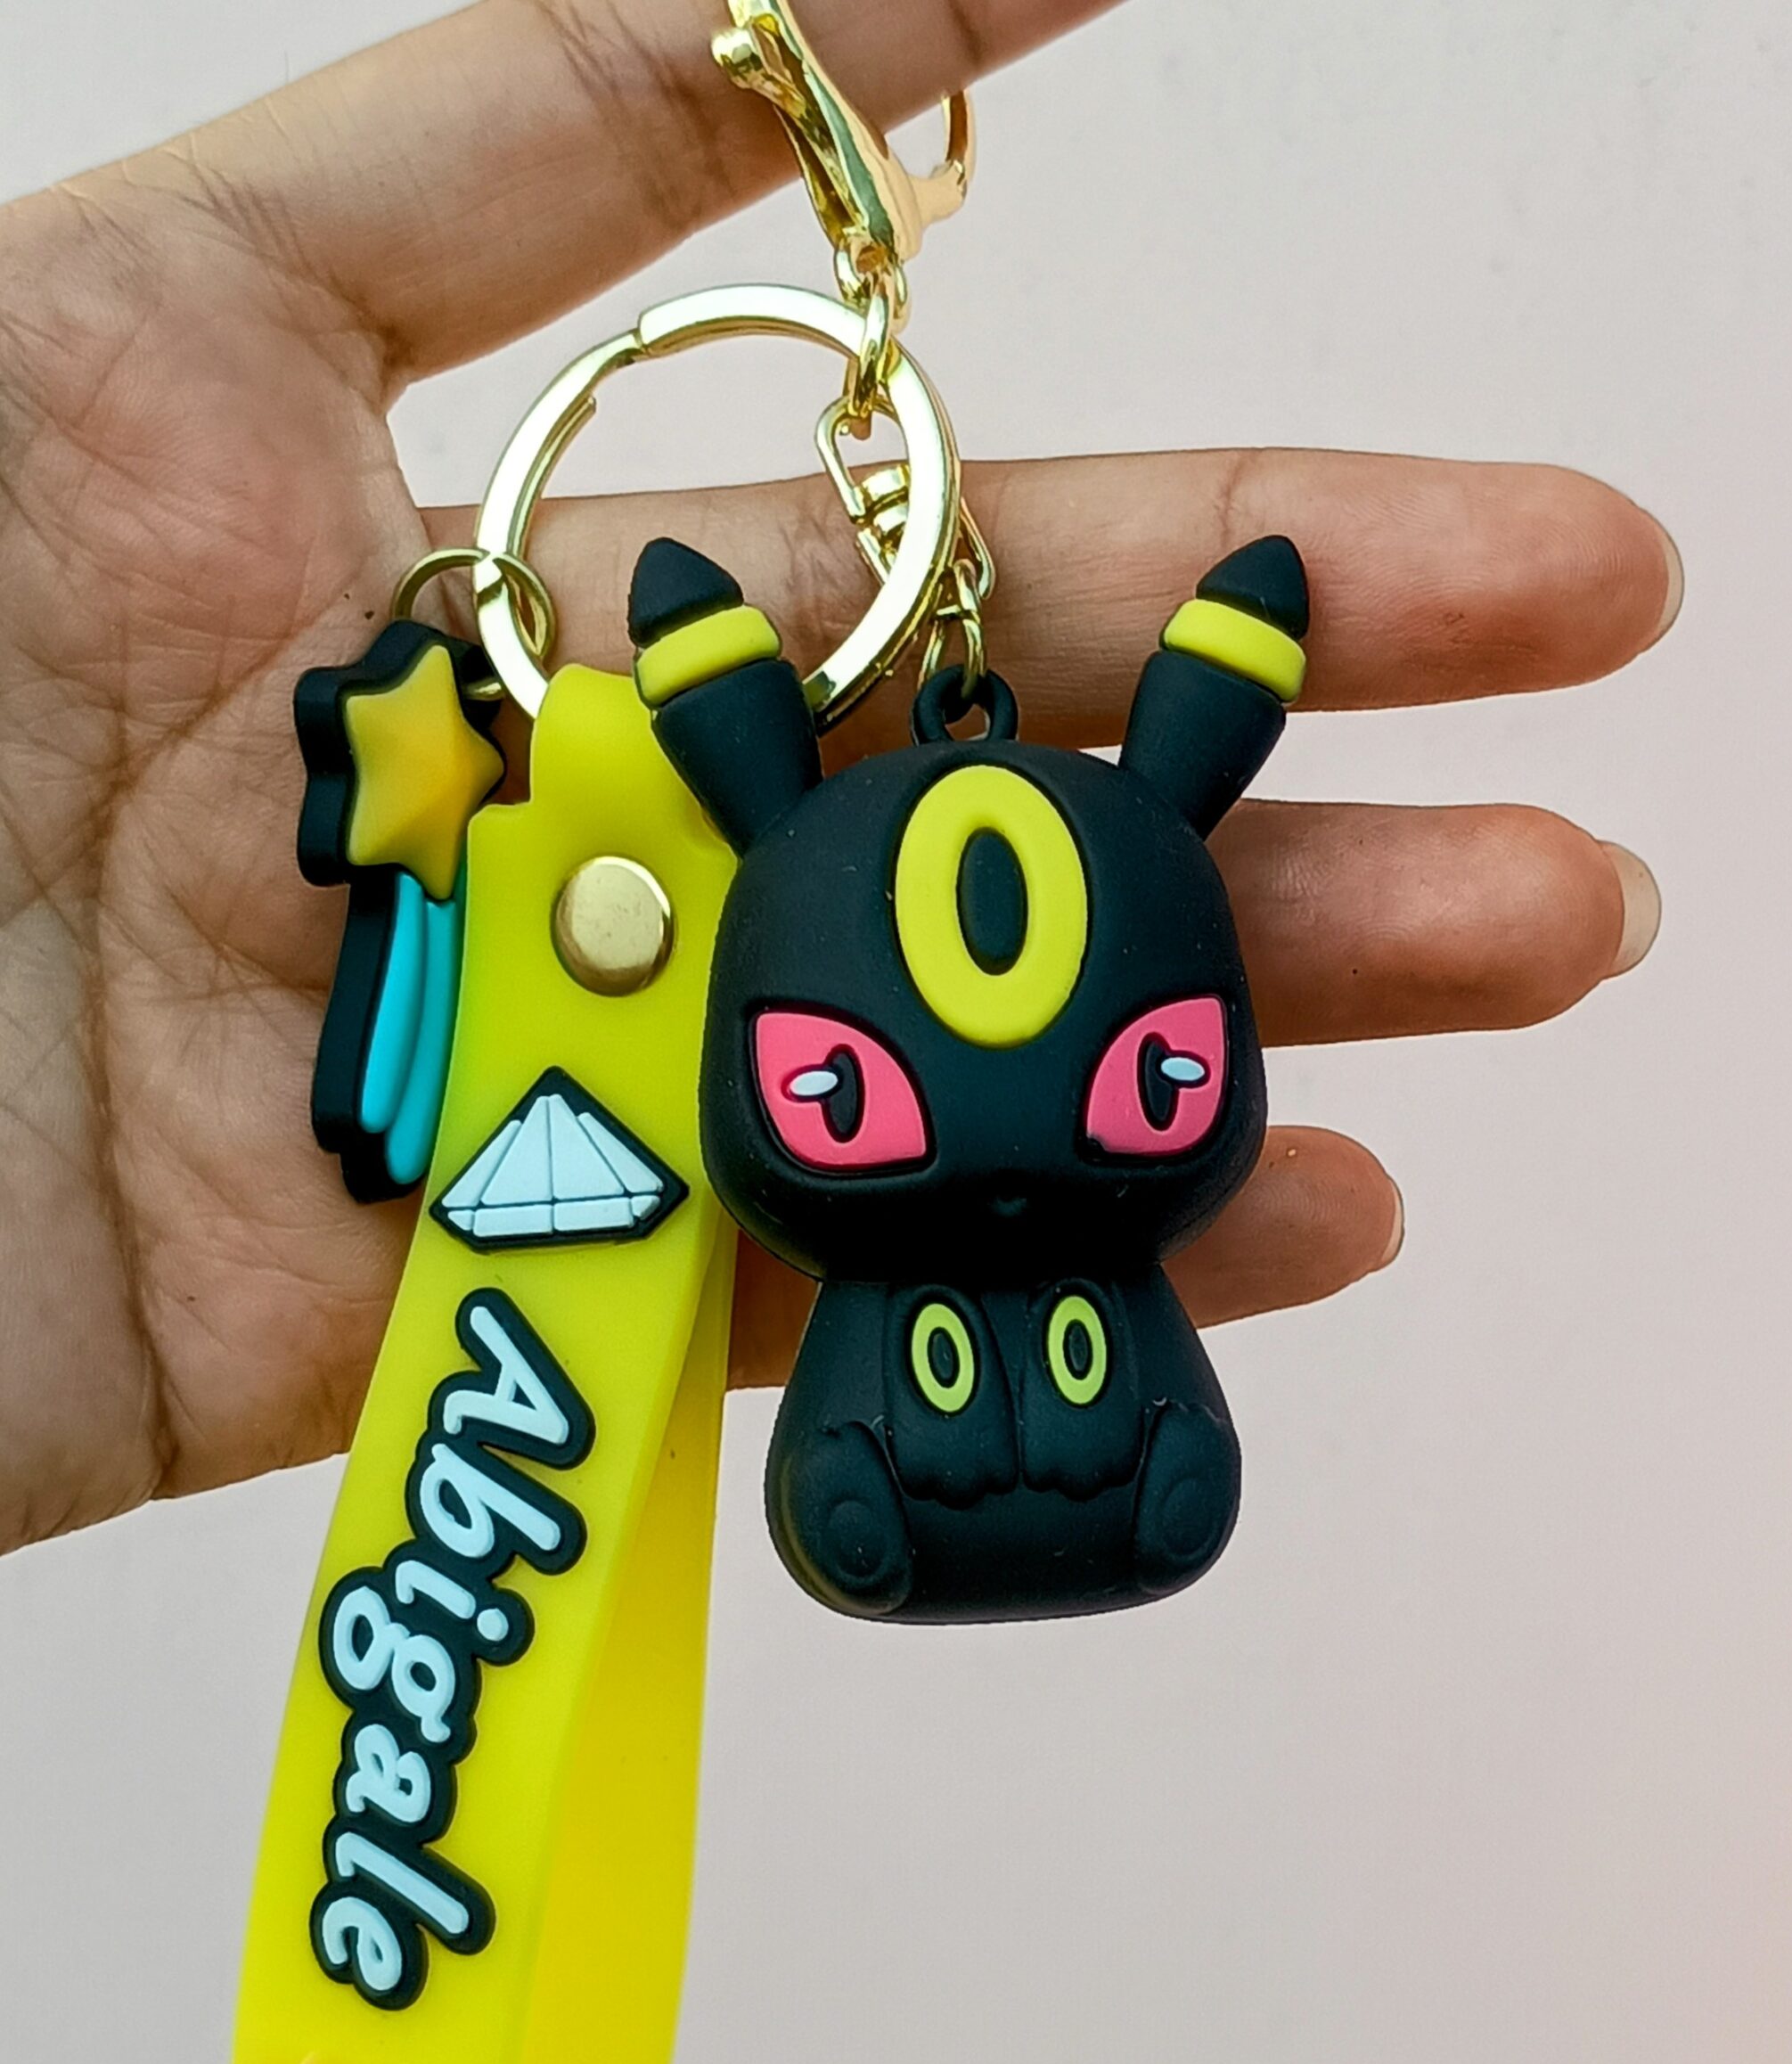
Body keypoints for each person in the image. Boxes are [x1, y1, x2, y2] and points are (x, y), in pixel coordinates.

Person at [0, 0, 1674, 1553]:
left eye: (1160, 1080)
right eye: (835, 1096)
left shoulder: (851, 846)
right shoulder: (975, 859)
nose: (1001, 1154)